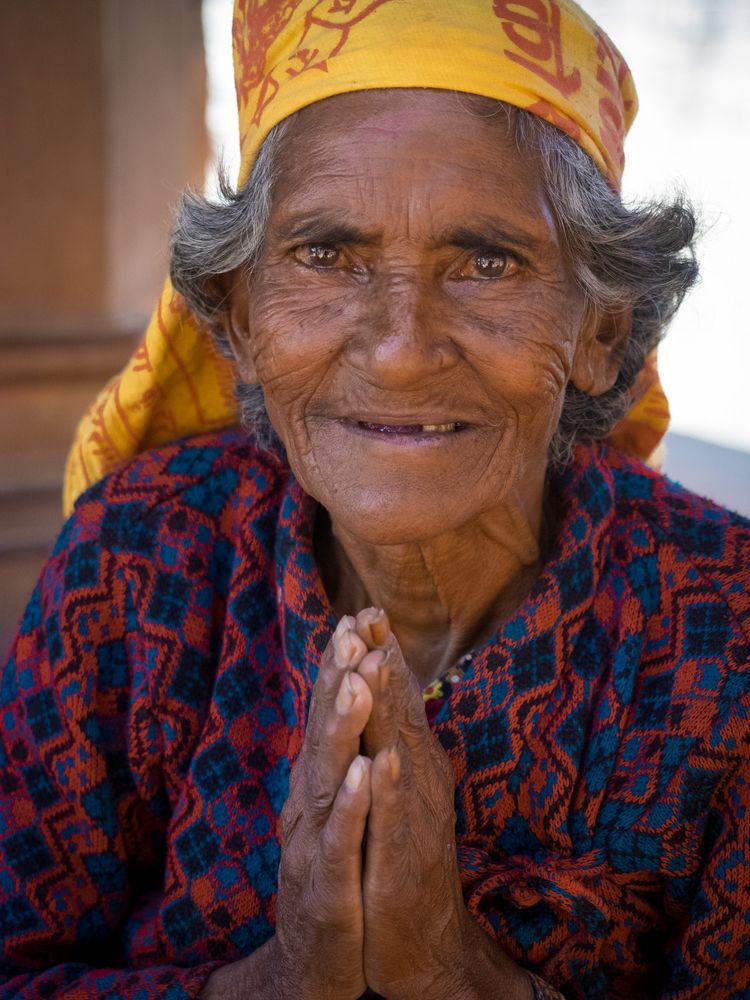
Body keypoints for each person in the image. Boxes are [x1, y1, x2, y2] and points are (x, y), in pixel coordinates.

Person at [2, 1, 749, 997]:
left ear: (602, 328)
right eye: (327, 256)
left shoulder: (727, 623)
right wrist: (272, 983)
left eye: (487, 262)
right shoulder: (141, 557)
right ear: (241, 311)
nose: (399, 349)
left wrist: (453, 970)